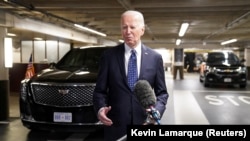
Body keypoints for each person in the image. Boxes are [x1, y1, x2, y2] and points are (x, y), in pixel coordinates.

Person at [93, 10, 169, 141]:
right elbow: (99, 91)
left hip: (145, 123)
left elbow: (162, 93)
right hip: (115, 125)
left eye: (132, 27)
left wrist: (156, 112)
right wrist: (100, 110)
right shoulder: (108, 56)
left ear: (142, 30)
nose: (128, 31)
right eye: (124, 27)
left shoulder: (155, 58)